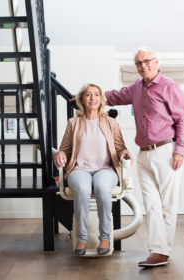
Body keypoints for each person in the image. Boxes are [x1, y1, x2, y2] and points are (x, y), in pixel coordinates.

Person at [70, 47, 184, 266]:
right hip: (143, 154)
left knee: (168, 205)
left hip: (166, 151)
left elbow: (183, 120)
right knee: (151, 205)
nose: (143, 65)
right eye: (138, 63)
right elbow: (114, 96)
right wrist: (87, 97)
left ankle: (163, 251)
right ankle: (157, 251)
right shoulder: (136, 87)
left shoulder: (169, 86)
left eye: (147, 61)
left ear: (156, 61)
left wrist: (179, 150)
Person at [54, 82, 132, 256]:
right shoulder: (73, 123)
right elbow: (64, 149)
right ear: (82, 99)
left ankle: (105, 237)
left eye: (96, 94)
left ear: (101, 99)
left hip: (105, 169)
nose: (93, 98)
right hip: (79, 169)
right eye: (88, 94)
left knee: (102, 187)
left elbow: (120, 147)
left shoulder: (110, 122)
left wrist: (125, 152)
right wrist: (59, 154)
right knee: (82, 188)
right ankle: (80, 238)